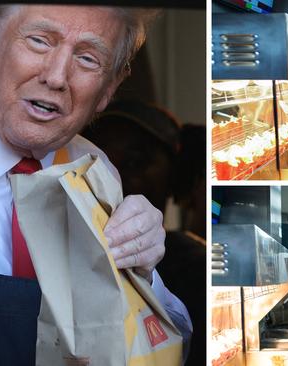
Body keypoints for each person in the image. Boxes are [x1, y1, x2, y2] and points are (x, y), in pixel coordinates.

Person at [0, 5, 192, 365]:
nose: (57, 76)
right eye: (40, 41)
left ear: (109, 89)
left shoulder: (94, 170)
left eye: (88, 59)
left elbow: (168, 344)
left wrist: (143, 274)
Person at [82, 100, 206, 366]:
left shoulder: (196, 268)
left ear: (175, 176)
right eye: (99, 162)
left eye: (135, 162)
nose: (115, 175)